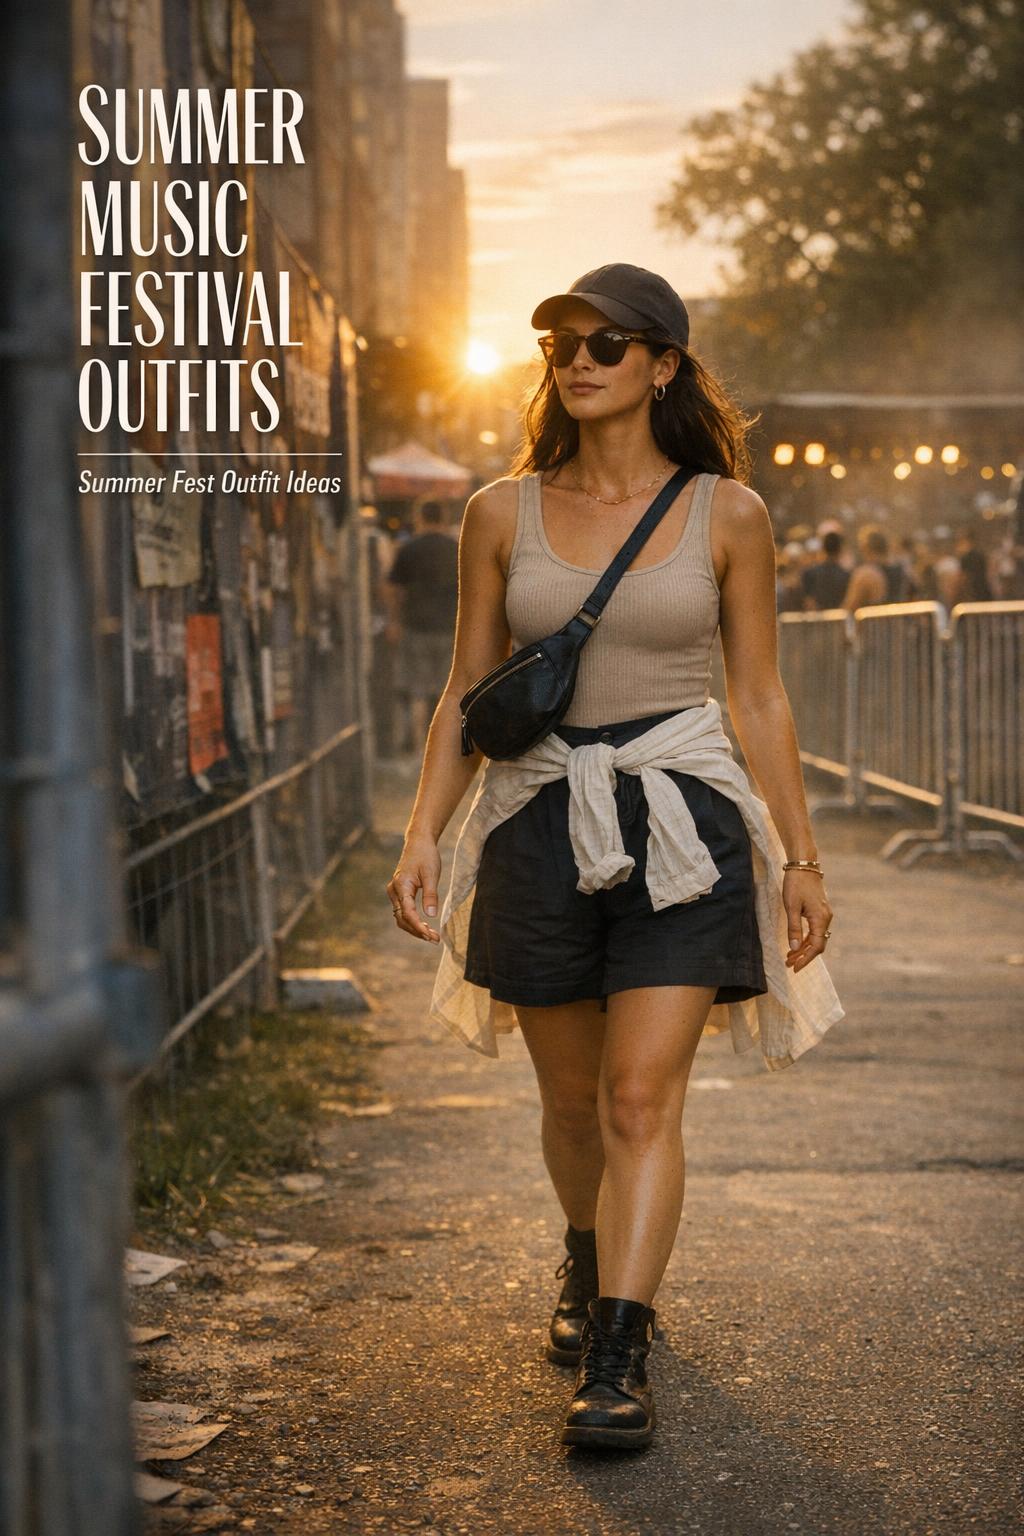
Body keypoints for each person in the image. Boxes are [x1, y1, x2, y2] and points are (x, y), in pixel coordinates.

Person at [384, 263, 843, 1451]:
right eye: (560, 344)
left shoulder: (727, 514)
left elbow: (760, 694)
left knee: (642, 1095)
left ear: (662, 365)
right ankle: (585, 1265)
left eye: (605, 343)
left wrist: (800, 855)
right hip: (540, 820)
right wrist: (422, 832)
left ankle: (619, 1351)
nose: (577, 361)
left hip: (683, 826)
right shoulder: (500, 510)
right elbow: (463, 693)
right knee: (574, 1102)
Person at [383, 500, 459, 751]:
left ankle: (418, 746)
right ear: (444, 516)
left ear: (420, 518)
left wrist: (394, 621)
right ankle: (444, 745)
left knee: (416, 689)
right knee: (446, 691)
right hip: (451, 629)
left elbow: (393, 588)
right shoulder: (456, 548)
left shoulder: (408, 549)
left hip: (415, 627)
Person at [841, 526, 892, 611]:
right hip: (898, 622)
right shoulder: (901, 571)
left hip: (874, 622)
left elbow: (850, 607)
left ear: (865, 547)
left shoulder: (866, 574)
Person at [801, 530, 850, 611]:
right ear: (840, 550)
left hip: (815, 621)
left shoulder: (809, 573)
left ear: (823, 548)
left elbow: (808, 603)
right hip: (839, 621)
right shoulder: (846, 576)